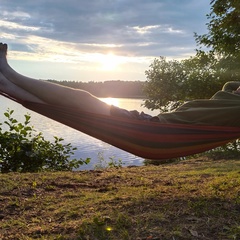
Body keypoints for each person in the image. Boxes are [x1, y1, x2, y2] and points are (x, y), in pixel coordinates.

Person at [0, 42, 240, 126]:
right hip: (153, 124)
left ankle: (9, 73)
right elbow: (229, 85)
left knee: (83, 100)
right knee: (73, 107)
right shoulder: (230, 97)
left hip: (154, 129)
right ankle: (8, 85)